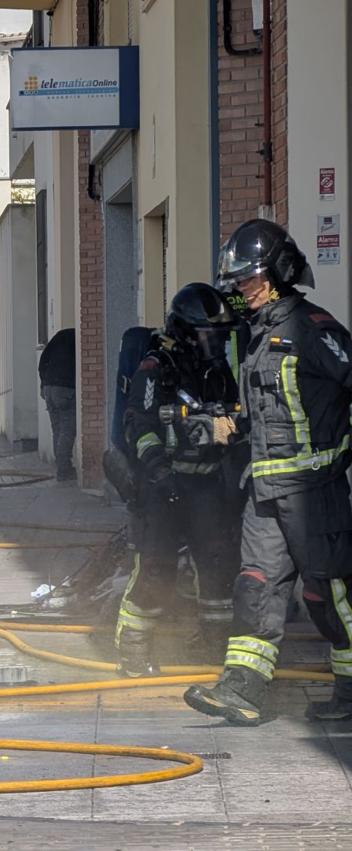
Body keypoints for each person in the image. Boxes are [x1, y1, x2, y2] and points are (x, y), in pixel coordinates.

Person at [185, 219, 352, 725]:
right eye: (237, 281)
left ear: (278, 272)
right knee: (255, 585)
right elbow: (262, 412)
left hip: (313, 491)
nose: (241, 289)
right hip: (264, 489)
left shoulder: (315, 330)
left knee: (327, 594)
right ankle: (243, 690)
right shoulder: (257, 337)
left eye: (249, 279)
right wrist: (226, 426)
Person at [115, 283, 243, 677]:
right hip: (163, 487)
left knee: (217, 567)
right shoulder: (158, 368)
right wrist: (157, 469)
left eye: (221, 336)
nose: (217, 343)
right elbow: (138, 422)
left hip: (206, 486)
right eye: (210, 334)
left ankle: (212, 645)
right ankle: (133, 650)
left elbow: (234, 425)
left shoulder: (219, 373)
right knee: (156, 568)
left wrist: (226, 437)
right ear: (186, 332)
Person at [38, 327, 77, 481]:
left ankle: (61, 466)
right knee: (67, 429)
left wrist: (44, 384)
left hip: (49, 388)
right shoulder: (77, 340)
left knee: (57, 430)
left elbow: (42, 363)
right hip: (65, 388)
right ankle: (64, 469)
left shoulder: (58, 338)